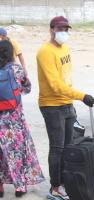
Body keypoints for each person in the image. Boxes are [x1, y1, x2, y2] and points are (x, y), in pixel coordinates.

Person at [36, 16, 94, 200]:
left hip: (67, 103)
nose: (63, 32)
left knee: (68, 146)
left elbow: (66, 80)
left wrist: (74, 99)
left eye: (66, 29)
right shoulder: (45, 52)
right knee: (57, 148)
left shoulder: (65, 49)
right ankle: (55, 187)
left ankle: (65, 182)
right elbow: (55, 84)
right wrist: (82, 96)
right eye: (60, 29)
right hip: (52, 105)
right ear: (51, 29)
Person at [0, 40, 45, 198]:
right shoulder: (16, 69)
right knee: (17, 152)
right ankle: (20, 186)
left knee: (1, 152)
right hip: (14, 120)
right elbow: (27, 88)